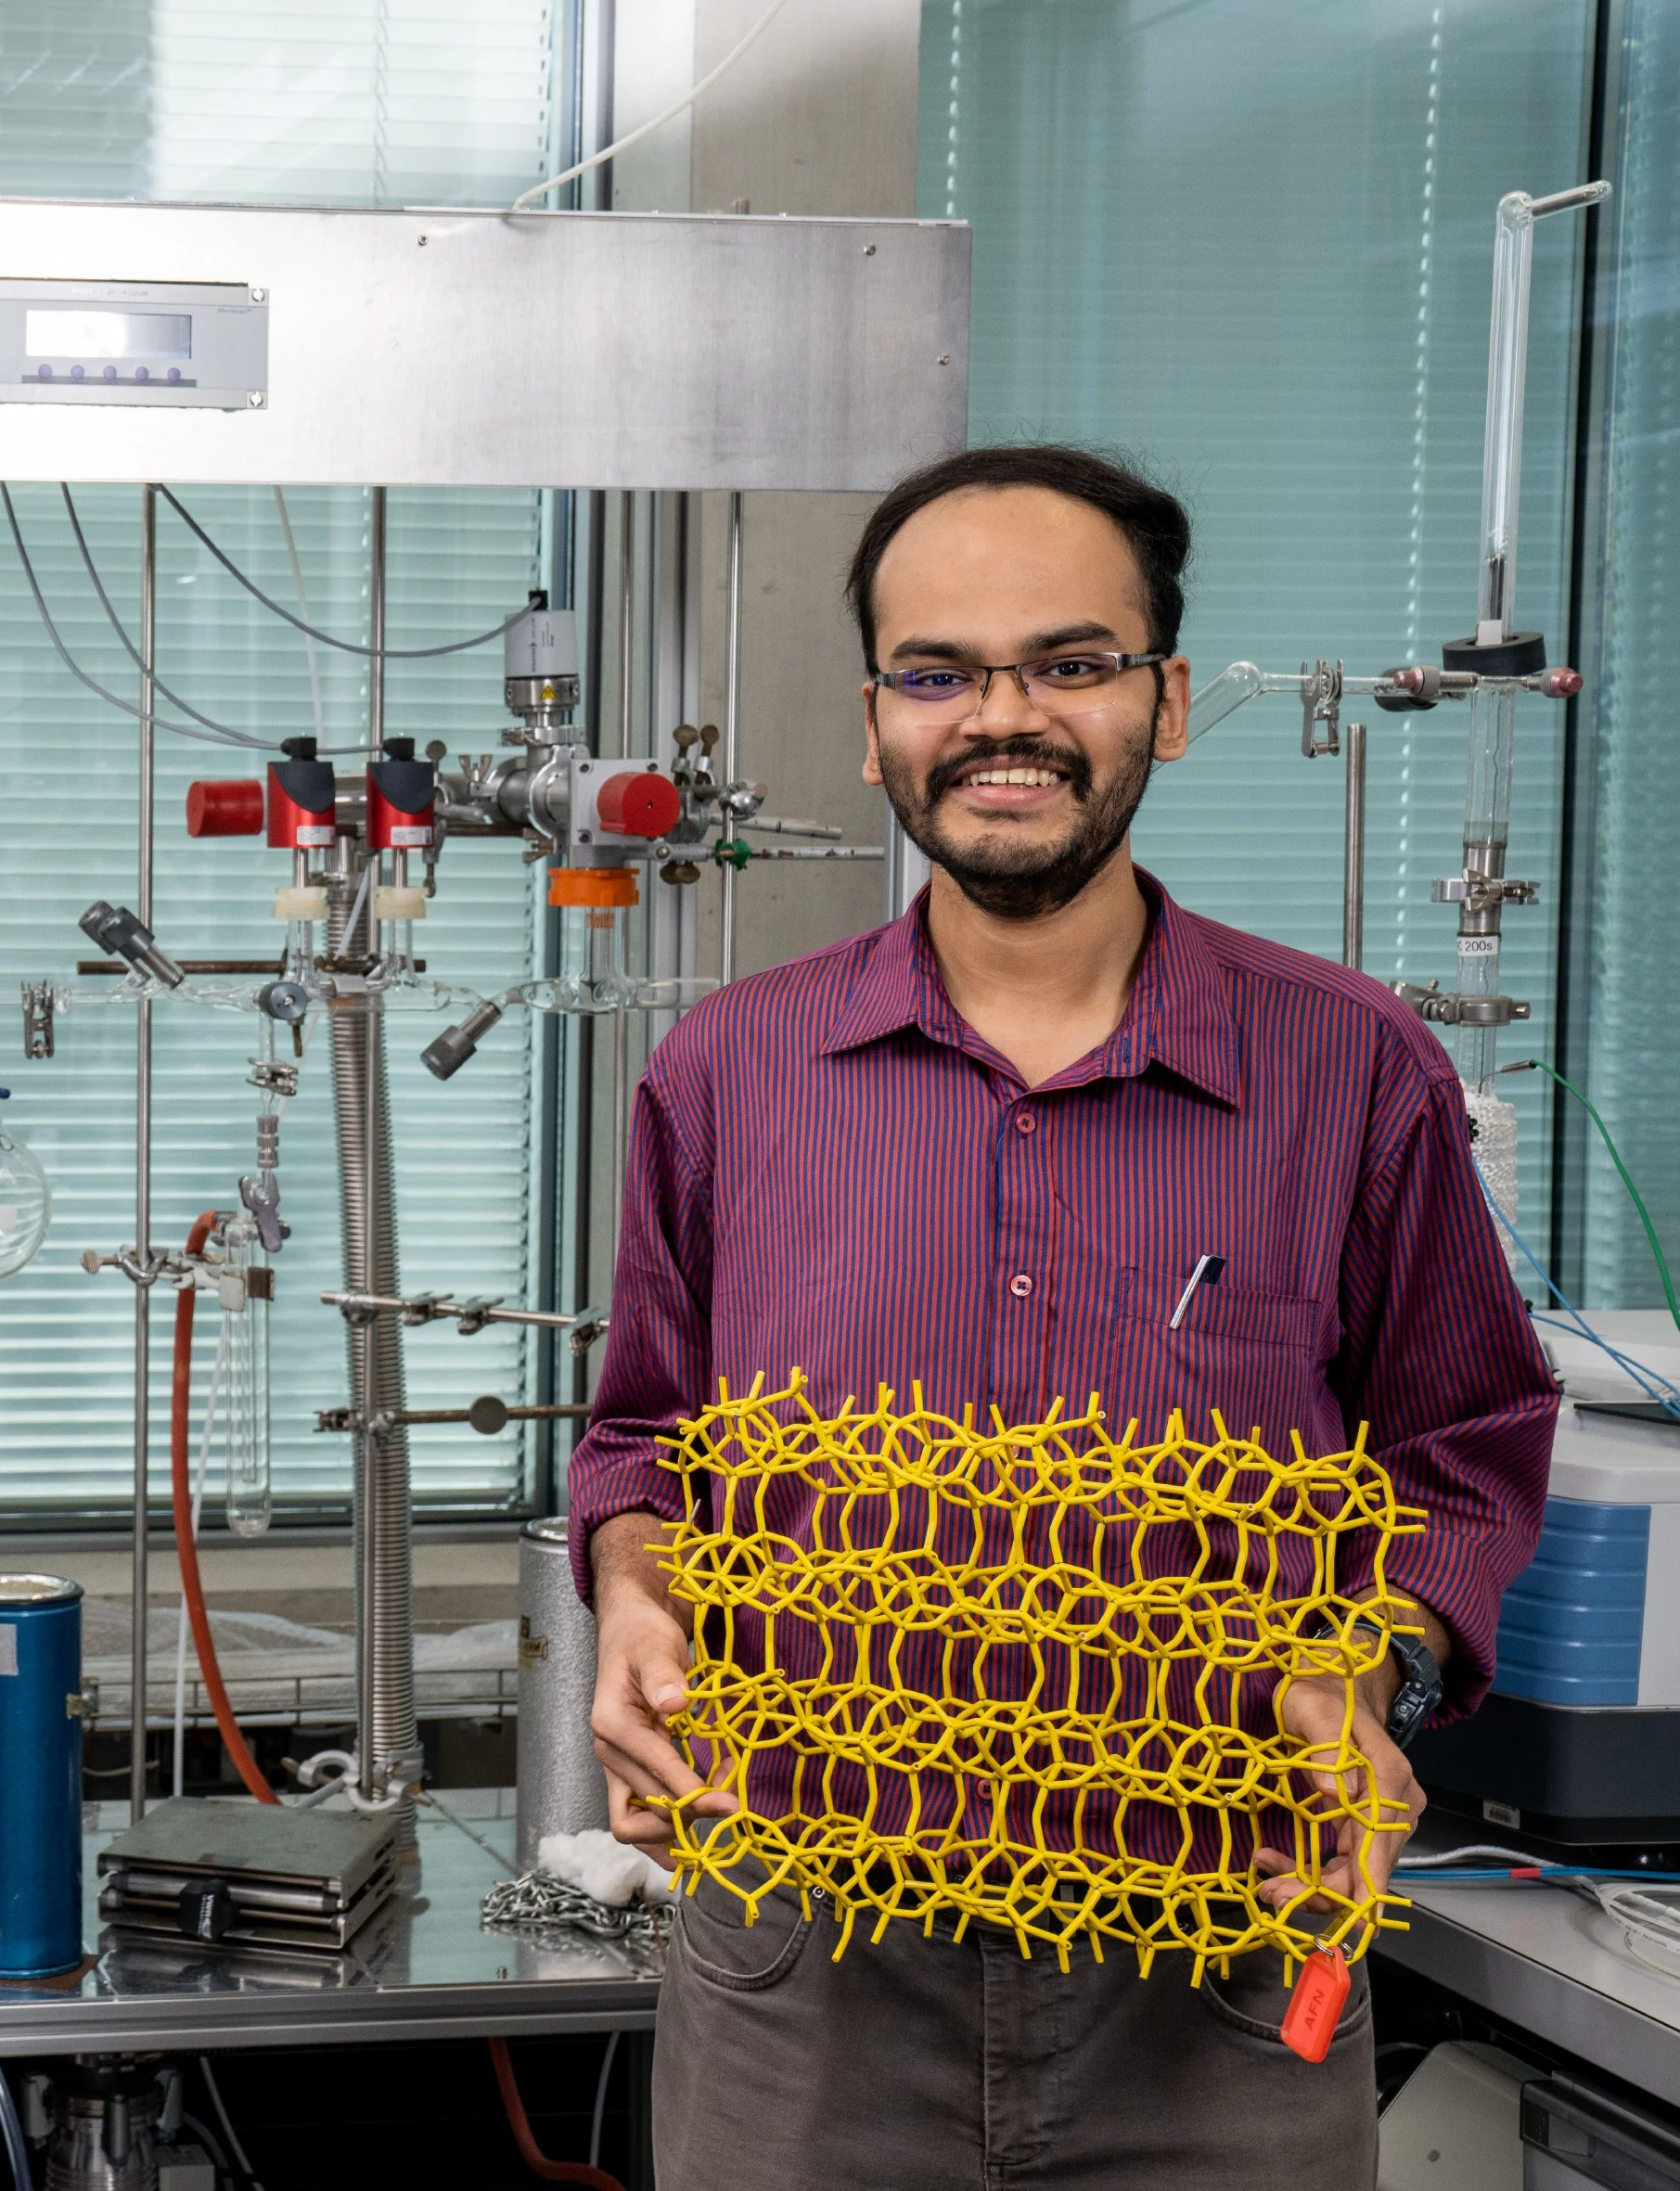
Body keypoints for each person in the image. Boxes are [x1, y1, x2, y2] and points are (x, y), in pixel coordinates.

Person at [574, 444, 1555, 2189]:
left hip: (1218, 1970)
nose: (997, 718)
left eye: (1070, 662)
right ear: (874, 719)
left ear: (1164, 702)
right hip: (806, 1971)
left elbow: (1460, 1447)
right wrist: (636, 1593)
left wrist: (1372, 1656)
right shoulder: (727, 1074)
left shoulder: (1351, 1070)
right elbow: (644, 1433)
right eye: (936, 672)